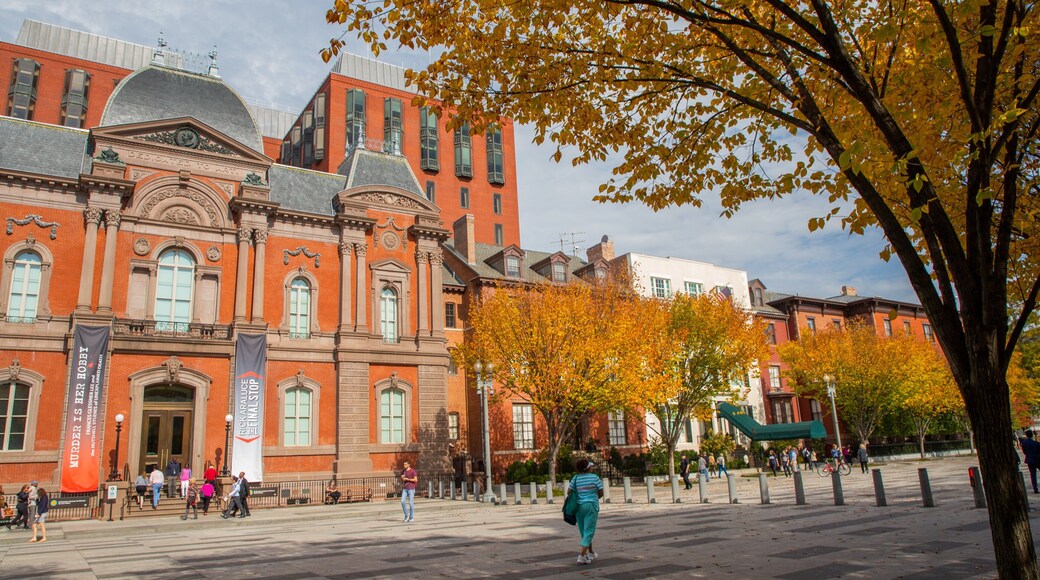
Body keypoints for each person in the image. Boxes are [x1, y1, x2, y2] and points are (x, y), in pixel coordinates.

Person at [571, 458, 603, 565]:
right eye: (591, 466)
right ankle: (582, 555)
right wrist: (594, 497)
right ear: (588, 467)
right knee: (589, 531)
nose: (592, 467)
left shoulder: (576, 478)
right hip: (591, 505)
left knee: (584, 531)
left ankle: (591, 553)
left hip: (579, 507)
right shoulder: (595, 478)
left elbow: (569, 491)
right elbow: (601, 492)